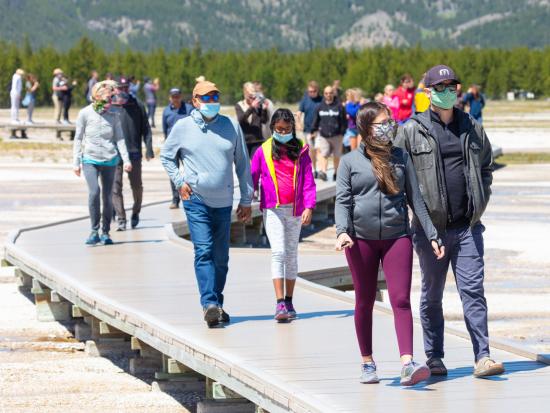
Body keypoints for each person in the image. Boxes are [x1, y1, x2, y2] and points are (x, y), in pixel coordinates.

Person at [394, 64, 504, 378]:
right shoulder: (411, 130)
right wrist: (418, 223)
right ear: (428, 92)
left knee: (473, 291)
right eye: (441, 88)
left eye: (452, 87)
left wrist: (480, 200)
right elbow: (398, 176)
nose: (448, 92)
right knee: (432, 294)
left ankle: (482, 356)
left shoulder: (470, 125)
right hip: (432, 231)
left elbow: (485, 165)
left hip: (467, 227)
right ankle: (435, 357)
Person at [335, 101, 444, 386]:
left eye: (389, 121)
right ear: (366, 128)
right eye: (381, 122)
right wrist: (341, 231)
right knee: (364, 300)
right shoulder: (349, 162)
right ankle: (367, 362)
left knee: (400, 299)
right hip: (360, 241)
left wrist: (432, 233)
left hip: (398, 237)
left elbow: (416, 200)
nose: (388, 126)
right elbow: (343, 201)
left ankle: (407, 362)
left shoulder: (401, 157)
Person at [161, 80, 253, 328]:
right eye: (206, 98)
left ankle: (217, 304)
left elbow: (243, 164)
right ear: (195, 101)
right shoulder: (183, 127)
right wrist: (180, 181)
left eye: (215, 97)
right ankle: (209, 303)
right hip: (196, 200)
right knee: (203, 251)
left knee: (221, 257)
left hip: (224, 201)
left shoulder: (230, 125)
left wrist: (246, 199)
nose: (212, 102)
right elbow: (166, 156)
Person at [250, 109, 316, 321]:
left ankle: (289, 300)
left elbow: (308, 181)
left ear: (292, 129)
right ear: (272, 129)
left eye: (286, 129)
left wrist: (309, 206)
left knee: (291, 254)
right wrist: (245, 199)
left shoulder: (301, 150)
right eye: (278, 129)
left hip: (295, 210)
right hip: (273, 209)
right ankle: (279, 303)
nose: (282, 132)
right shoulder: (263, 150)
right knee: (278, 252)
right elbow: (252, 176)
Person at [73, 80, 132, 246]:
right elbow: (78, 138)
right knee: (94, 192)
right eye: (106, 100)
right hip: (89, 159)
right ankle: (94, 230)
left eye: (111, 100)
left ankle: (105, 232)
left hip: (110, 160)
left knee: (107, 196)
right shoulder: (84, 113)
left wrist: (126, 160)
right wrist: (75, 162)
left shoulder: (114, 115)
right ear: (96, 97)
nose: (109, 104)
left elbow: (120, 139)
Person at [111, 76, 154, 231]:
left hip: (134, 153)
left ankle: (135, 212)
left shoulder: (137, 105)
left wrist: (148, 148)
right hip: (114, 154)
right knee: (115, 187)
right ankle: (121, 219)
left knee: (136, 187)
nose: (123, 90)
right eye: (120, 88)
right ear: (115, 89)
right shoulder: (110, 106)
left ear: (129, 88)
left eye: (125, 87)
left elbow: (146, 129)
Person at [162, 87, 194, 209]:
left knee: (190, 170)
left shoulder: (189, 109)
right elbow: (165, 130)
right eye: (173, 96)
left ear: (180, 96)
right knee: (173, 173)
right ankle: (175, 199)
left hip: (187, 146)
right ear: (170, 97)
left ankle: (191, 195)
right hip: (172, 147)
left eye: (177, 96)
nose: (175, 98)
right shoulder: (166, 111)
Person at [310, 86, 346, 182]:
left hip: (337, 135)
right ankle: (324, 172)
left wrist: (342, 133)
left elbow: (344, 122)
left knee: (336, 156)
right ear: (324, 94)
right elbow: (316, 120)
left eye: (330, 93)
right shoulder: (320, 107)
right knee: (324, 154)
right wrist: (312, 131)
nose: (328, 95)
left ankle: (336, 173)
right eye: (326, 93)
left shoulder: (339, 107)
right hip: (324, 136)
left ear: (333, 94)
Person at [297, 80, 323, 178]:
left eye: (313, 91)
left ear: (317, 90)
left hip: (319, 130)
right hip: (307, 130)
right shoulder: (305, 100)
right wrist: (299, 123)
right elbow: (299, 112)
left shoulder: (322, 100)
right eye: (310, 91)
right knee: (311, 151)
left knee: (319, 149)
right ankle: (314, 169)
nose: (311, 93)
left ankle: (321, 170)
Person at [235, 81, 269, 156]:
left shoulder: (258, 104)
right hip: (244, 140)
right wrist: (251, 108)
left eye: (254, 95)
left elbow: (264, 121)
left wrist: (264, 109)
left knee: (256, 165)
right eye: (250, 96)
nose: (252, 98)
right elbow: (241, 120)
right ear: (245, 94)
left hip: (257, 140)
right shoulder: (239, 105)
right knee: (244, 165)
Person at [343, 88, 361, 153]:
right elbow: (353, 113)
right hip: (352, 129)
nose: (347, 97)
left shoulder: (359, 103)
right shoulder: (348, 104)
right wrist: (358, 106)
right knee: (353, 150)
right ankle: (353, 162)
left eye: (348, 95)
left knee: (360, 149)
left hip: (360, 128)